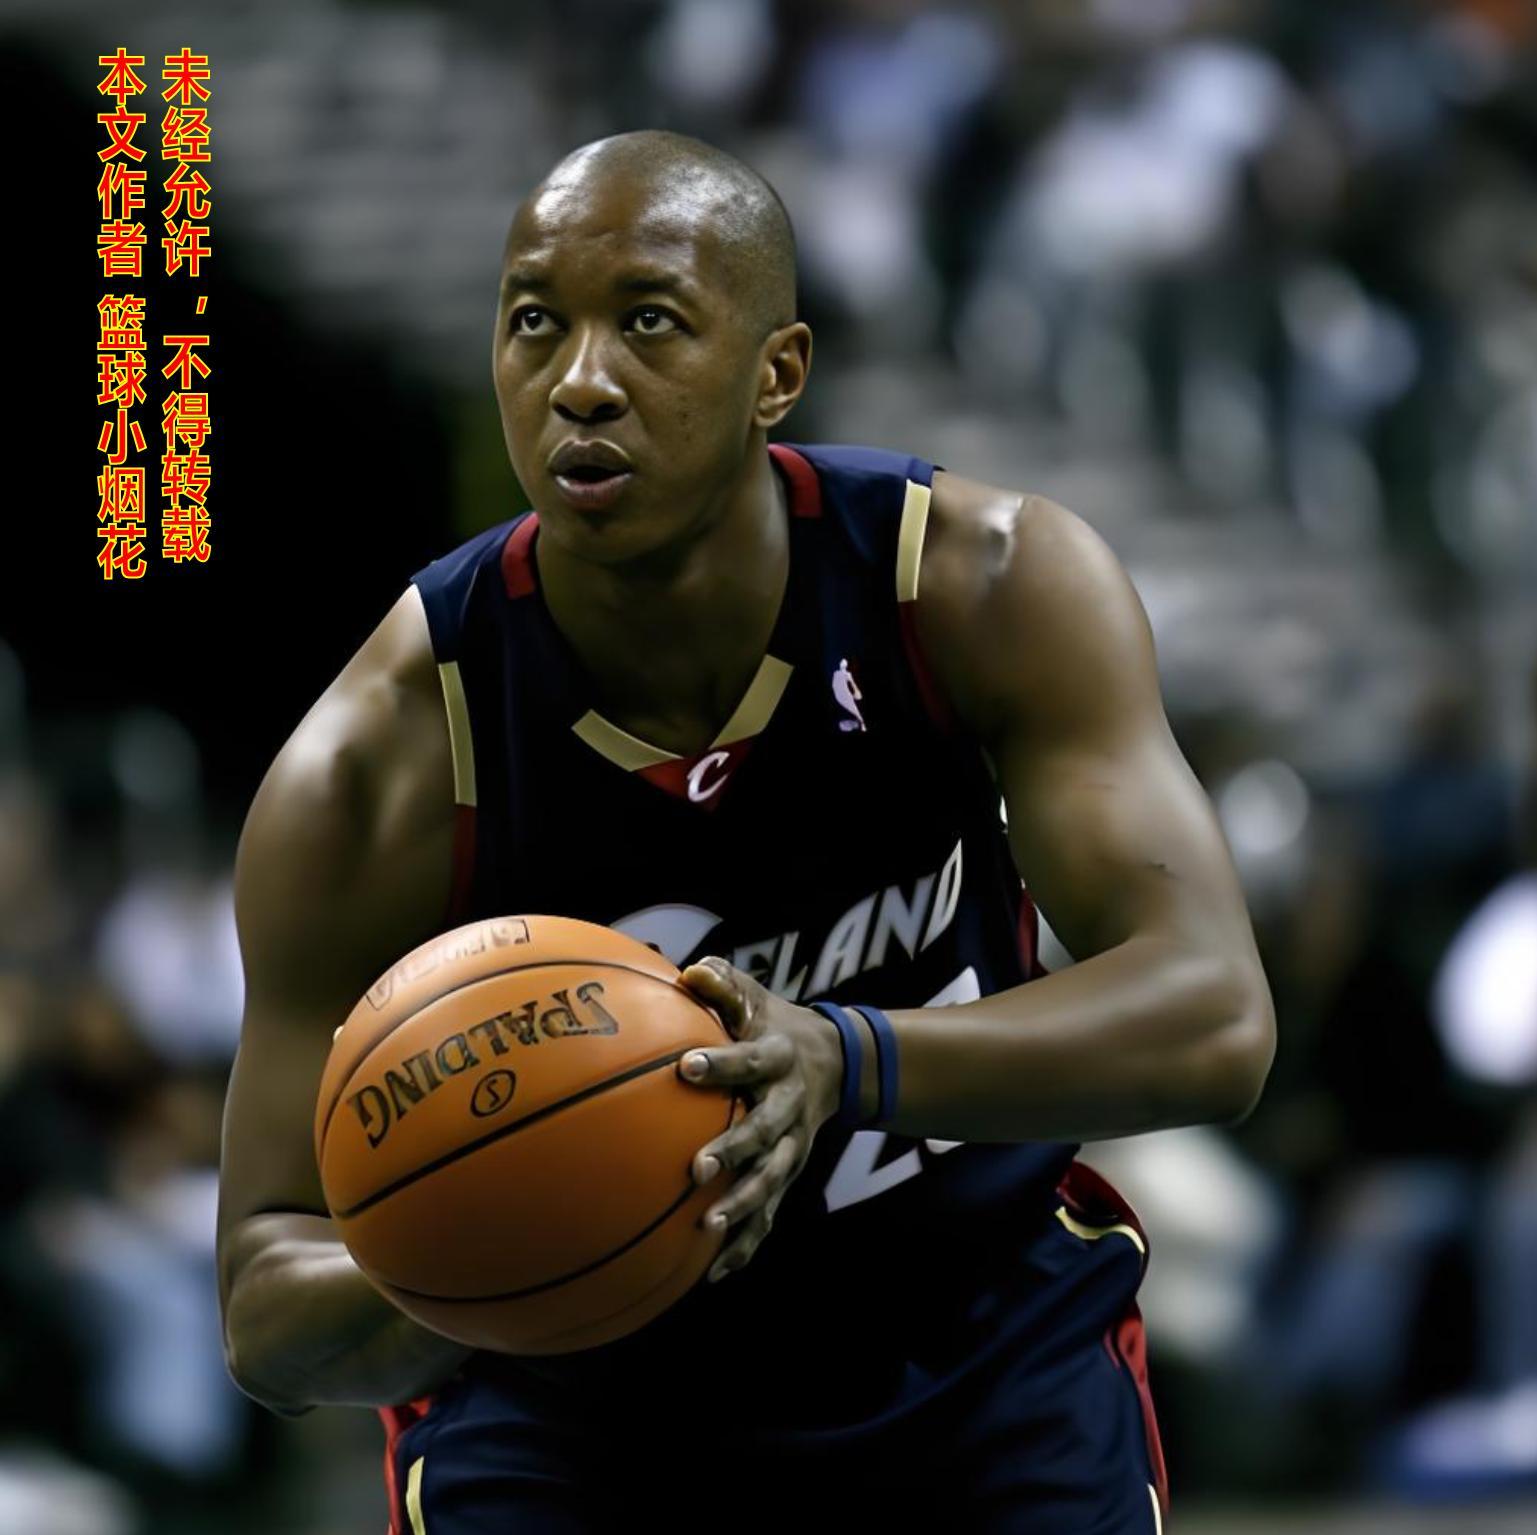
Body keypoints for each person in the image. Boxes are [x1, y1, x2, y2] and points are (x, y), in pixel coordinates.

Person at [217, 130, 1275, 1534]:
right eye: (534, 323)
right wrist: (476, 1244)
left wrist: (845, 1059)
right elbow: (263, 1302)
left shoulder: (980, 586)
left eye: (648, 321)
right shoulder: (382, 758)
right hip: (578, 1426)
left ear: (777, 372)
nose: (580, 380)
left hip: (970, 1346)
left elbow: (1215, 1018)